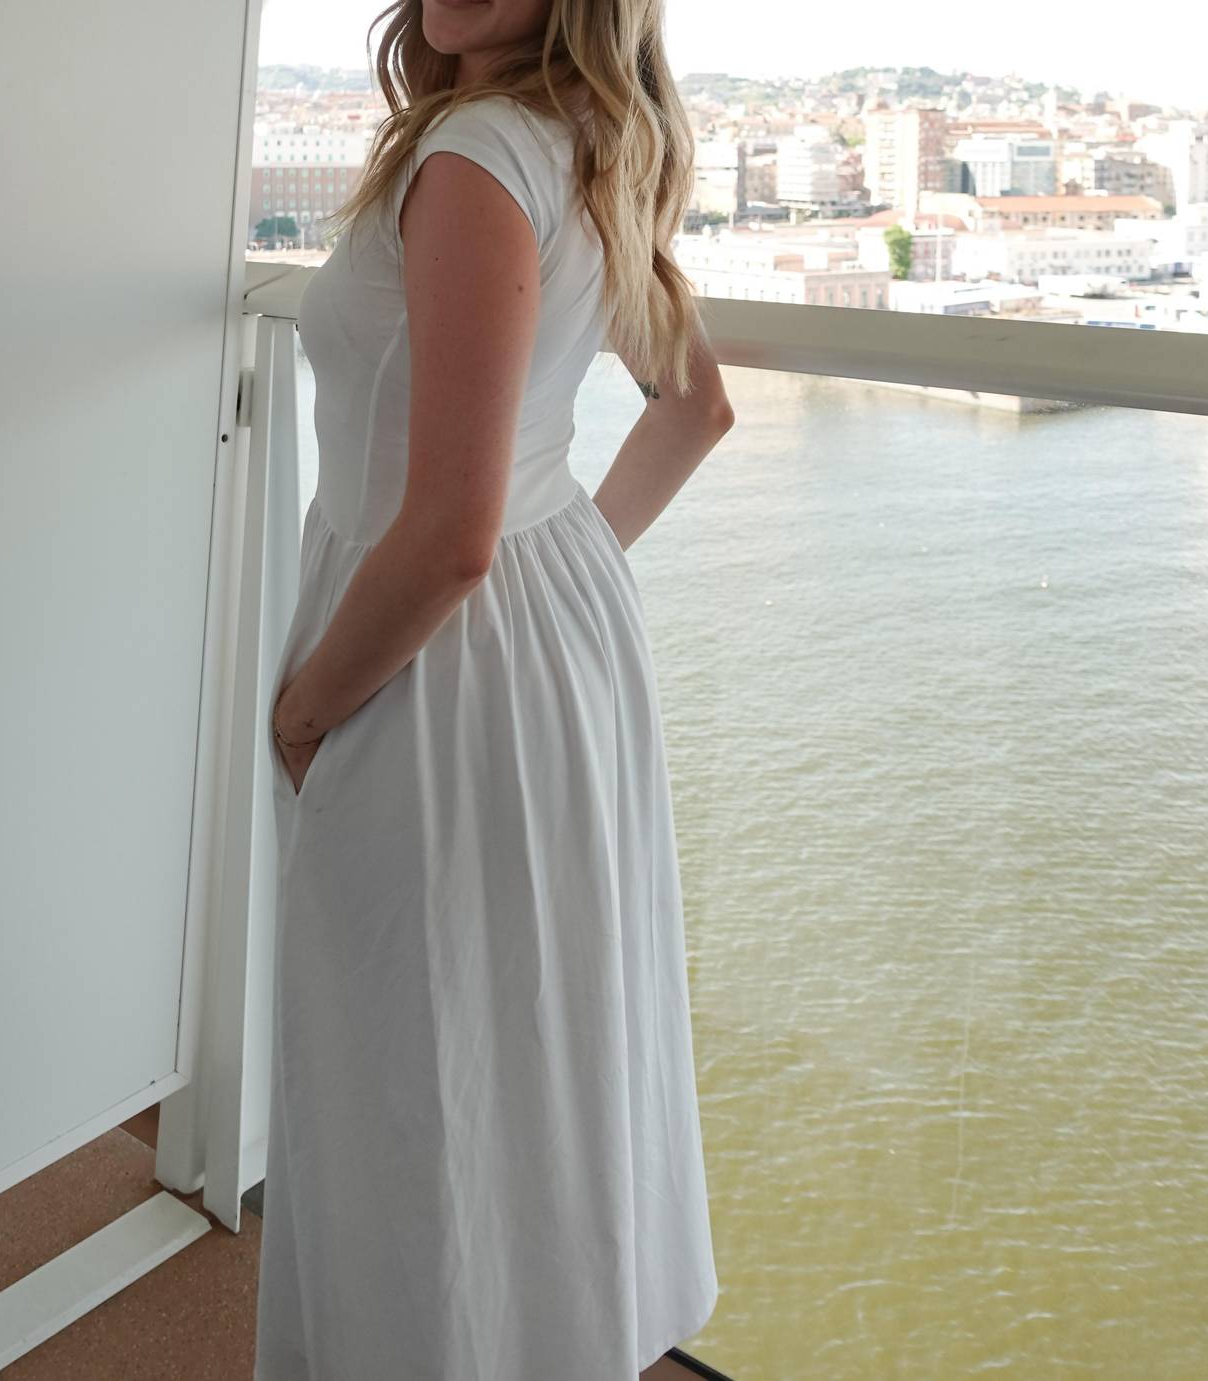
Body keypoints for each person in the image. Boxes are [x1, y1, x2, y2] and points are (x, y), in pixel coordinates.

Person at [255, 0, 735, 1376]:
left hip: (427, 655)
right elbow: (693, 410)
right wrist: (560, 569)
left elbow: (450, 536)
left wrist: (303, 710)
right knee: (524, 1045)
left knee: (409, 1070)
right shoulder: (589, 143)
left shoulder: (475, 156)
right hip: (536, 638)